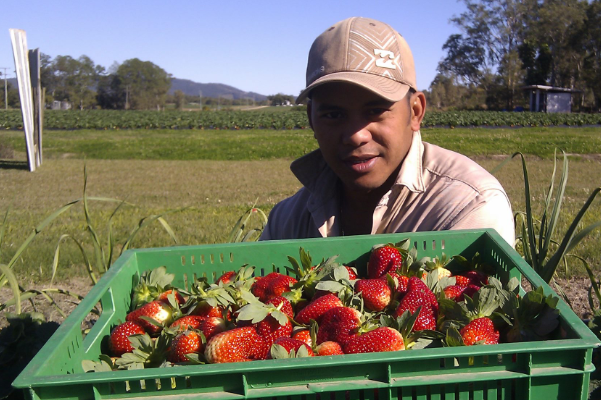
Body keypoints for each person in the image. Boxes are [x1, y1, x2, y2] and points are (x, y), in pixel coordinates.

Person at [259, 16, 515, 246]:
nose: (355, 135)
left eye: (376, 110)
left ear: (415, 112)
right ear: (312, 120)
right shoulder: (286, 222)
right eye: (333, 115)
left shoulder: (467, 208)